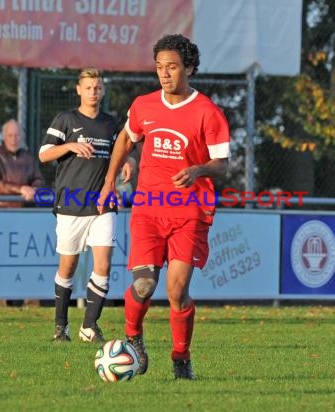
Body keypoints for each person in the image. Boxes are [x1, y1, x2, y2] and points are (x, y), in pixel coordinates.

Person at [98, 34, 231, 380]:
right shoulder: (144, 105)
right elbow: (127, 137)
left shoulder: (208, 112)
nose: (165, 74)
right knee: (143, 285)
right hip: (148, 208)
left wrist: (198, 169)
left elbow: (222, 164)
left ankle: (181, 357)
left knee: (176, 290)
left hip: (190, 211)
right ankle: (132, 339)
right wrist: (110, 181)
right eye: (159, 67)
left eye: (172, 67)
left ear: (189, 68)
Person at [39, 67, 135, 343]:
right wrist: (69, 146)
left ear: (102, 90)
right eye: (88, 87)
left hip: (103, 204)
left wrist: (129, 162)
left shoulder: (110, 123)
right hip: (71, 205)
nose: (93, 92)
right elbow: (44, 155)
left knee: (104, 264)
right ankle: (61, 327)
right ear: (78, 90)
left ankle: (89, 326)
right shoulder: (66, 119)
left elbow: (123, 151)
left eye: (98, 87)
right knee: (67, 267)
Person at [0, 119, 45, 307]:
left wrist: (33, 189)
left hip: (26, 216)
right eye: (10, 135)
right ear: (4, 137)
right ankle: (3, 303)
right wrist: (20, 189)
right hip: (1, 216)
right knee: (2, 260)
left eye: (17, 135)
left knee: (29, 260)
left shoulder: (28, 157)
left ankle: (31, 300)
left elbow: (39, 179)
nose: (14, 138)